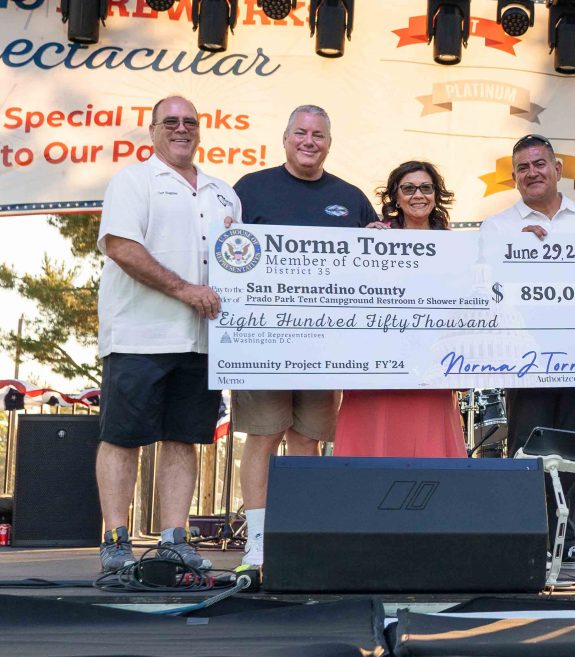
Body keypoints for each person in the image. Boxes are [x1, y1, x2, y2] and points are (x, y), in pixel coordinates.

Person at [95, 95, 241, 573]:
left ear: (200, 130)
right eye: (171, 122)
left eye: (190, 122)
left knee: (184, 438)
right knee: (123, 437)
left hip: (201, 340)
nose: (182, 129)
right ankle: (117, 539)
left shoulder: (223, 192)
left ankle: (174, 538)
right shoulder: (133, 180)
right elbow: (120, 246)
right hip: (140, 335)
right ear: (152, 129)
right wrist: (183, 289)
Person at [232, 104, 378, 568]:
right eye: (301, 133)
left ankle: (296, 533)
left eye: (318, 134)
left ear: (329, 143)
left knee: (309, 440)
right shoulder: (250, 189)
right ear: (286, 138)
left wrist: (381, 238)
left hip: (325, 345)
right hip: (262, 341)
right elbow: (225, 250)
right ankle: (257, 540)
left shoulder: (350, 197)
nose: (309, 141)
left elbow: (379, 261)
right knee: (263, 435)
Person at [479, 134, 575, 571]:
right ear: (514, 178)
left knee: (572, 448)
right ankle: (530, 538)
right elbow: (486, 291)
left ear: (557, 167)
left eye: (539, 164)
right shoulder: (497, 228)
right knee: (527, 450)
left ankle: (566, 540)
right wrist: (517, 252)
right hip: (525, 359)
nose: (532, 172)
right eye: (522, 168)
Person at [332, 161, 466, 458]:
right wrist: (362, 247)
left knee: (428, 459)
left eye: (426, 188)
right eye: (408, 188)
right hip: (376, 375)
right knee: (371, 458)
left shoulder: (457, 247)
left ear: (436, 194)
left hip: (431, 373)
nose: (418, 195)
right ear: (396, 196)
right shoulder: (376, 239)